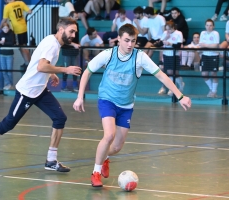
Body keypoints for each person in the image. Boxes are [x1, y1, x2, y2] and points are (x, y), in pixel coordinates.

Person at [73, 23, 192, 187]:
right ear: (119, 40)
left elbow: (162, 76)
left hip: (126, 105)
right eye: (127, 40)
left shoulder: (140, 57)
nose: (130, 44)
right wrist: (80, 97)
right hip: (107, 100)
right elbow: (87, 72)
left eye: (133, 41)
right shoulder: (107, 54)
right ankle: (96, 173)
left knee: (116, 147)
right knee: (109, 135)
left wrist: (180, 96)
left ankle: (104, 158)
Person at [0, 18, 82, 172]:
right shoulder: (52, 45)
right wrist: (65, 70)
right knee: (8, 124)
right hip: (27, 91)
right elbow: (41, 66)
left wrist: (52, 73)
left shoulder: (53, 42)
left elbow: (39, 62)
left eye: (75, 32)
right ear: (61, 29)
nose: (73, 35)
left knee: (60, 118)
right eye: (71, 31)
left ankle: (51, 160)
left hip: (39, 90)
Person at [0, 0, 32, 71]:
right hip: (24, 27)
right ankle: (28, 63)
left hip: (17, 29)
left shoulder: (7, 7)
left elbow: (4, 19)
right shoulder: (20, 3)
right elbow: (30, 11)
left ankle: (28, 64)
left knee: (21, 47)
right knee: (24, 46)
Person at [154, 20, 185, 96]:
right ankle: (173, 88)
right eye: (167, 29)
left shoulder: (178, 33)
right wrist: (166, 38)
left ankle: (179, 85)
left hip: (174, 55)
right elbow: (159, 44)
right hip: (166, 55)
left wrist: (170, 43)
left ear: (173, 27)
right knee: (168, 72)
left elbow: (178, 45)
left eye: (169, 29)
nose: (168, 31)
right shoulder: (165, 33)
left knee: (173, 72)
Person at [199, 19, 220, 98]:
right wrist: (208, 45)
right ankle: (212, 89)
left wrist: (205, 45)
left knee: (213, 74)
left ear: (213, 26)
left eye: (210, 25)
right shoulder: (202, 33)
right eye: (207, 25)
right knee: (204, 74)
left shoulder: (215, 33)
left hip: (214, 55)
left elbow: (215, 45)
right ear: (205, 26)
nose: (209, 27)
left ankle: (214, 91)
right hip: (205, 55)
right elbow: (201, 44)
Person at [61, 11, 81, 92]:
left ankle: (75, 86)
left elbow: (76, 37)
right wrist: (73, 44)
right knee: (66, 68)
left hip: (74, 51)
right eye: (75, 17)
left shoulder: (77, 25)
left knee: (75, 68)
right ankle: (63, 86)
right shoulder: (65, 26)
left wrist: (77, 44)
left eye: (77, 17)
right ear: (70, 17)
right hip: (66, 51)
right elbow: (64, 39)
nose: (77, 18)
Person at [0, 22, 16, 91]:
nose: (5, 29)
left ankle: (11, 84)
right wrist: (0, 43)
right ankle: (8, 84)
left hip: (9, 54)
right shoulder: (1, 34)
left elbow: (12, 43)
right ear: (2, 28)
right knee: (3, 70)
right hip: (2, 54)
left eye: (7, 28)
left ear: (9, 28)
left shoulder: (11, 33)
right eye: (4, 28)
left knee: (9, 71)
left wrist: (4, 43)